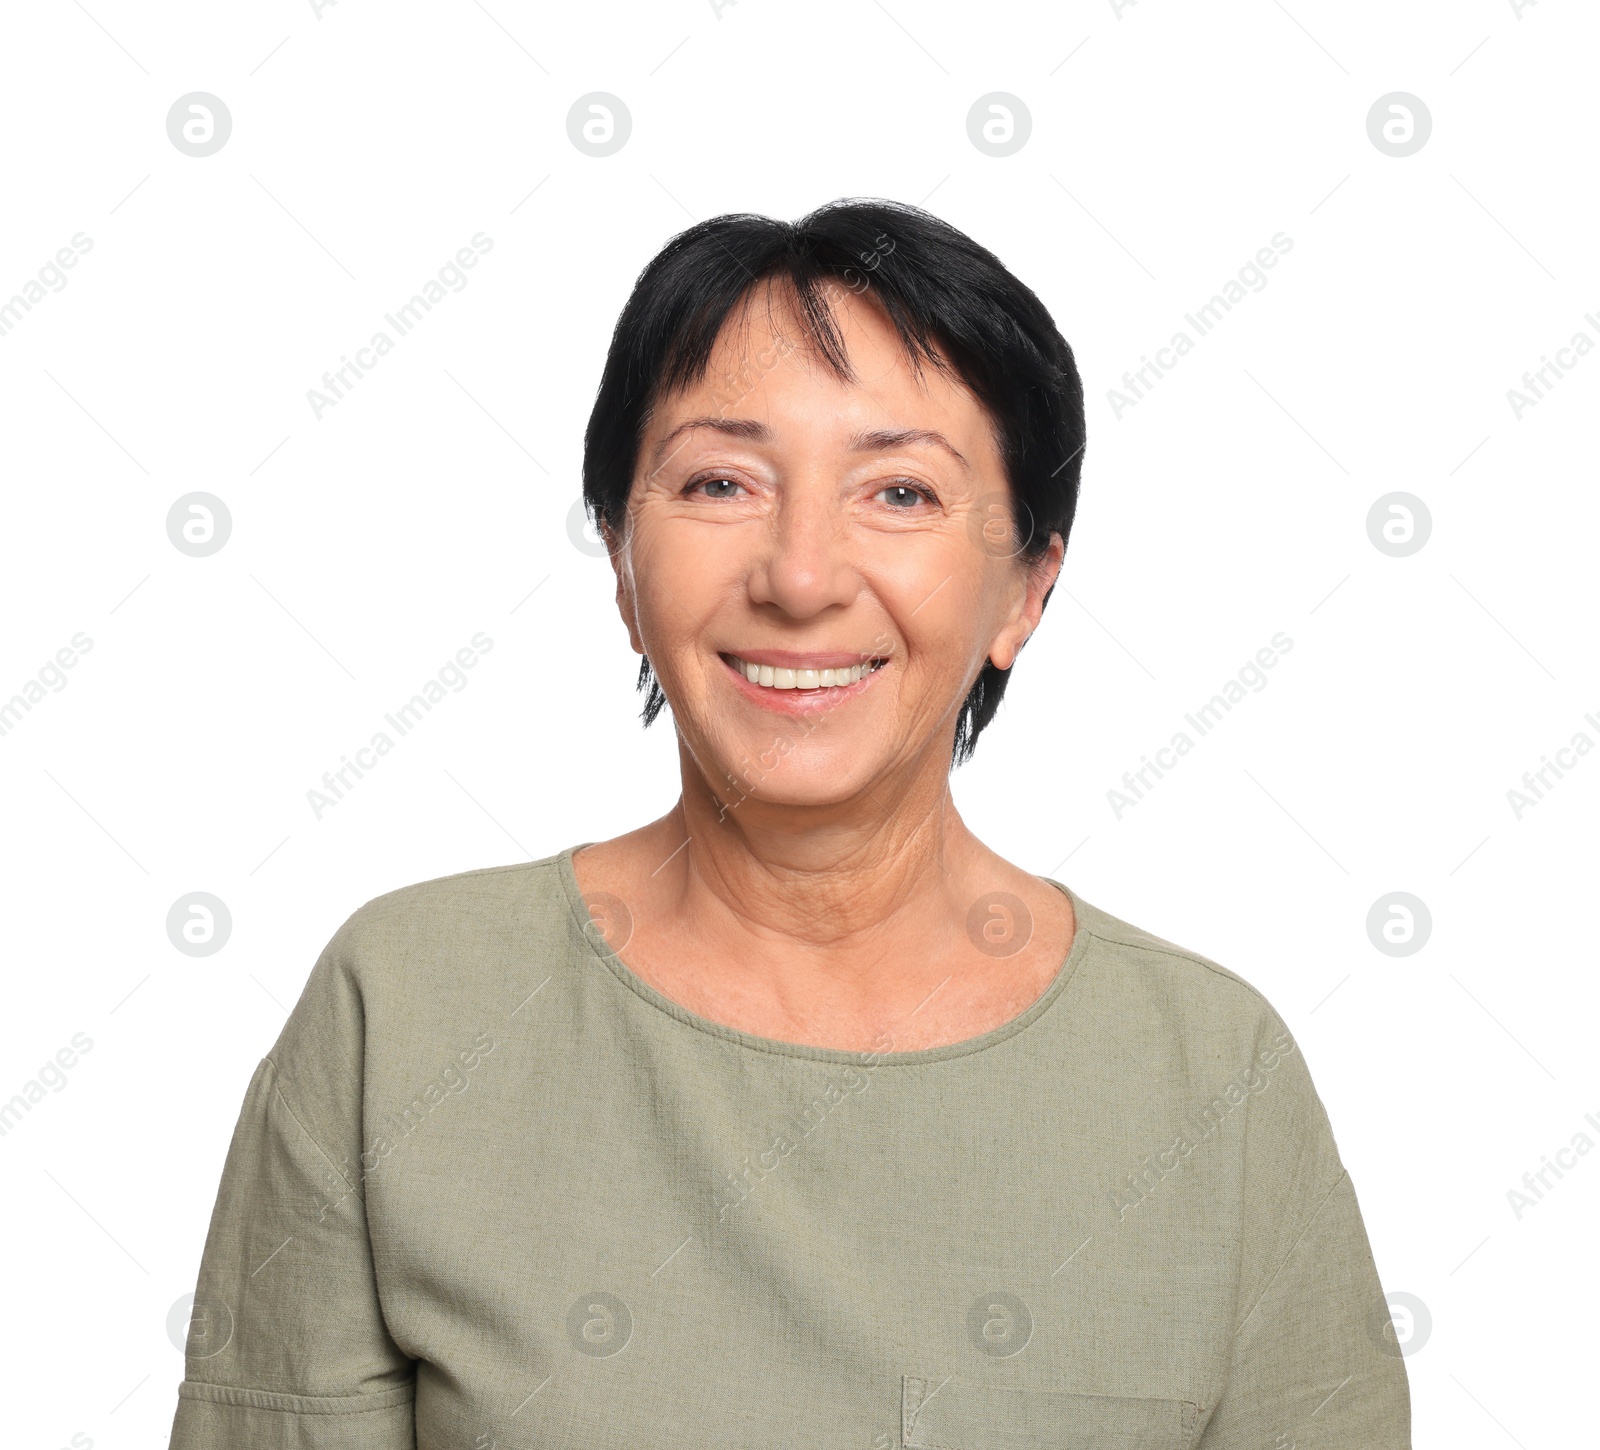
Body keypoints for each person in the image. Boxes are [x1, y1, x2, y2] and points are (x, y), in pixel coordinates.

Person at [166, 198, 1412, 1448]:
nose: (801, 574)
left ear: (1025, 587)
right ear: (619, 556)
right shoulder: (407, 1011)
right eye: (720, 481)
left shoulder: (1209, 1078)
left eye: (901, 491)